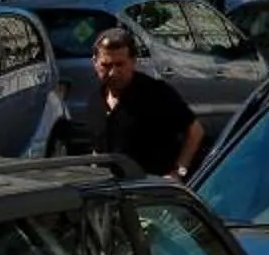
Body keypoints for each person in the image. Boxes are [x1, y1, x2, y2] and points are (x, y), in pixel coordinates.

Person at [86, 27, 205, 180]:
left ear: (133, 61)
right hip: (114, 192)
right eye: (106, 65)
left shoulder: (156, 94)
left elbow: (195, 131)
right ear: (95, 63)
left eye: (120, 64)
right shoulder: (95, 102)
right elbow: (98, 151)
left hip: (151, 190)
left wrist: (178, 172)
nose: (113, 73)